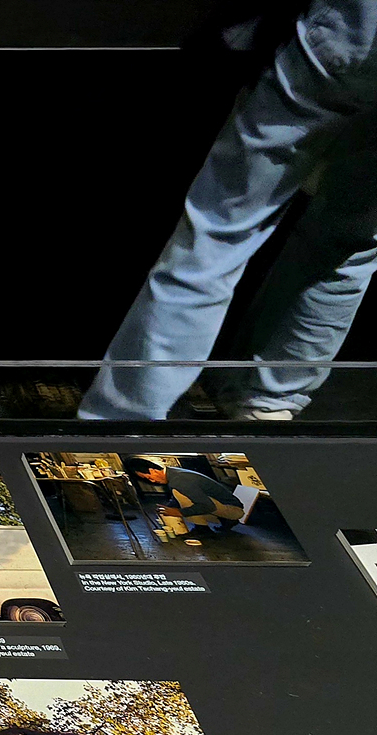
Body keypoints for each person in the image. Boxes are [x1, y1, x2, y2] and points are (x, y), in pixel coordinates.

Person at [79, 1, 377, 421]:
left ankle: (126, 418)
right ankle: (269, 401)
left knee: (219, 234)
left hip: (353, 35)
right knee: (349, 241)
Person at [126, 457, 248, 533]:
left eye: (149, 477)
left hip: (234, 510)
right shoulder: (172, 472)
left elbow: (208, 506)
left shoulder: (178, 480)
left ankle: (202, 529)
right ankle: (224, 519)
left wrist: (178, 512)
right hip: (222, 507)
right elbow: (178, 499)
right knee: (179, 494)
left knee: (180, 494)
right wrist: (168, 508)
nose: (152, 481)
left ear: (152, 470)